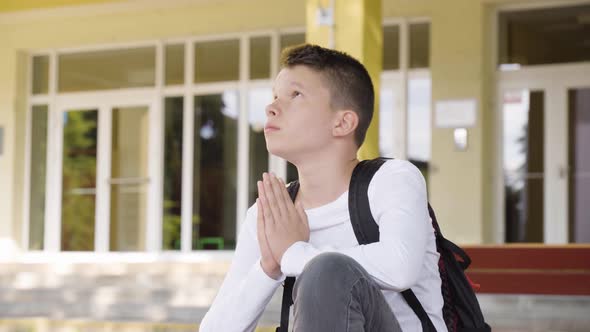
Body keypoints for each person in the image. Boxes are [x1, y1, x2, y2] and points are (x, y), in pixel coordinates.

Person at [199, 44, 447, 332]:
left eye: (295, 95)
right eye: (275, 96)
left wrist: (292, 253)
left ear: (342, 122)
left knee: (328, 270)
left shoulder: (391, 179)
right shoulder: (270, 214)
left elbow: (399, 266)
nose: (271, 107)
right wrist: (269, 266)